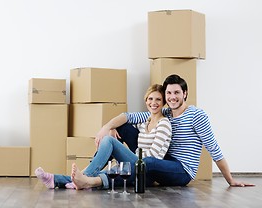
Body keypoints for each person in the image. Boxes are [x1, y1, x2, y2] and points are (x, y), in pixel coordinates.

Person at [94, 74, 254, 187]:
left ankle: (98, 179)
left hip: (182, 170)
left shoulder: (196, 115)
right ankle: (93, 172)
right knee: (124, 127)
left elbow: (214, 149)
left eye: (177, 92)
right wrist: (108, 127)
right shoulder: (165, 112)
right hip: (163, 161)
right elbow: (129, 116)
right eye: (169, 93)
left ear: (185, 94)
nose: (172, 97)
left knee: (147, 162)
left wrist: (230, 180)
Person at [35, 84, 172, 189]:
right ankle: (55, 180)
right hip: (135, 165)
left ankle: (82, 175)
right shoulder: (145, 121)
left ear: (163, 103)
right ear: (146, 100)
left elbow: (154, 157)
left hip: (146, 171)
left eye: (158, 99)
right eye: (150, 99)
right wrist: (112, 128)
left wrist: (127, 157)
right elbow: (126, 120)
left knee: (108, 141)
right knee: (99, 175)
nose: (153, 103)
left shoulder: (164, 124)